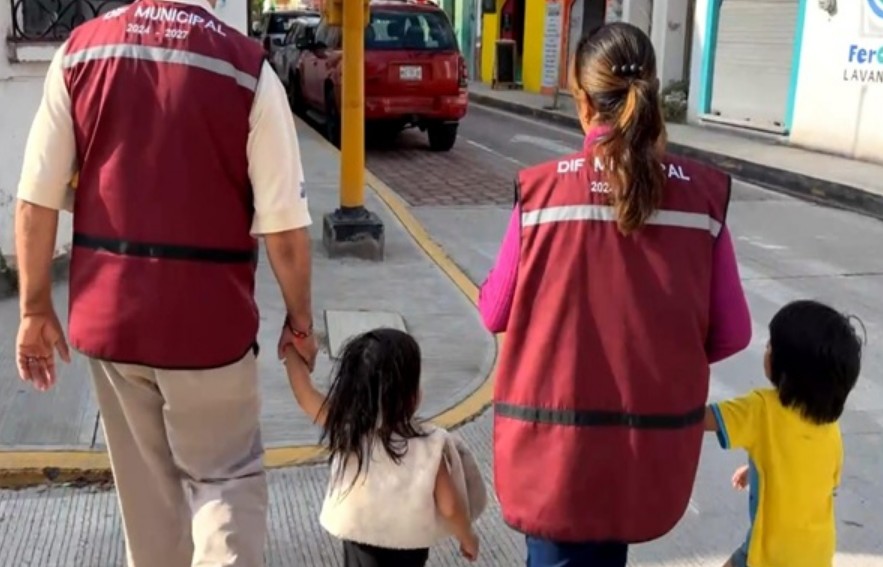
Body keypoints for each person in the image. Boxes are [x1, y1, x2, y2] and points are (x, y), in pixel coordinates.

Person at [13, 0, 316, 565]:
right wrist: (300, 322)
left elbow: (34, 199)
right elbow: (287, 232)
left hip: (112, 323)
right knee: (225, 480)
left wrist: (34, 308)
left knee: (147, 500)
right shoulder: (246, 68)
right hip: (211, 332)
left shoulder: (81, 53)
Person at [478, 23, 752, 567]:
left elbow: (495, 310)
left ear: (583, 101)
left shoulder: (543, 191)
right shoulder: (700, 196)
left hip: (555, 448)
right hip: (639, 448)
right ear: (650, 92)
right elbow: (734, 331)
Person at [283, 328, 486, 567]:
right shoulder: (429, 445)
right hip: (409, 548)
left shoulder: (350, 431)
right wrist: (467, 537)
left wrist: (291, 351)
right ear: (410, 396)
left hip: (360, 540)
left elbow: (305, 395)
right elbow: (450, 506)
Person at [705, 300, 863, 567]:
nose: (766, 350)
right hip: (816, 554)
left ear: (787, 369)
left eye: (770, 346)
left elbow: (703, 419)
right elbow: (808, 473)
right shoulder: (830, 428)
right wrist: (755, 467)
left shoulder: (761, 408)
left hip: (769, 553)